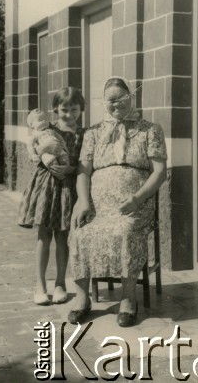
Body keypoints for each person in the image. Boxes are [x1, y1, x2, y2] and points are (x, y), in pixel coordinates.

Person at [68, 76, 167, 327]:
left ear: (131, 98)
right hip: (98, 207)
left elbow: (159, 172)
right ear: (104, 103)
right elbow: (83, 171)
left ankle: (128, 299)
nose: (117, 104)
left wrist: (137, 198)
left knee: (126, 231)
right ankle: (82, 299)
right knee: (80, 230)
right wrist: (83, 202)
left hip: (136, 205)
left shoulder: (150, 129)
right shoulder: (93, 133)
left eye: (122, 98)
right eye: (112, 100)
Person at [17, 87, 85, 306]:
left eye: (74, 109)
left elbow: (85, 165)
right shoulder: (47, 130)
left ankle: (60, 284)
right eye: (64, 109)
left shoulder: (84, 135)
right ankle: (40, 285)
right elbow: (35, 153)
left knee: (63, 237)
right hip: (47, 186)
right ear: (56, 108)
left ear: (81, 109)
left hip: (67, 187)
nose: (69, 114)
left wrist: (70, 169)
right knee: (44, 235)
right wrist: (41, 157)